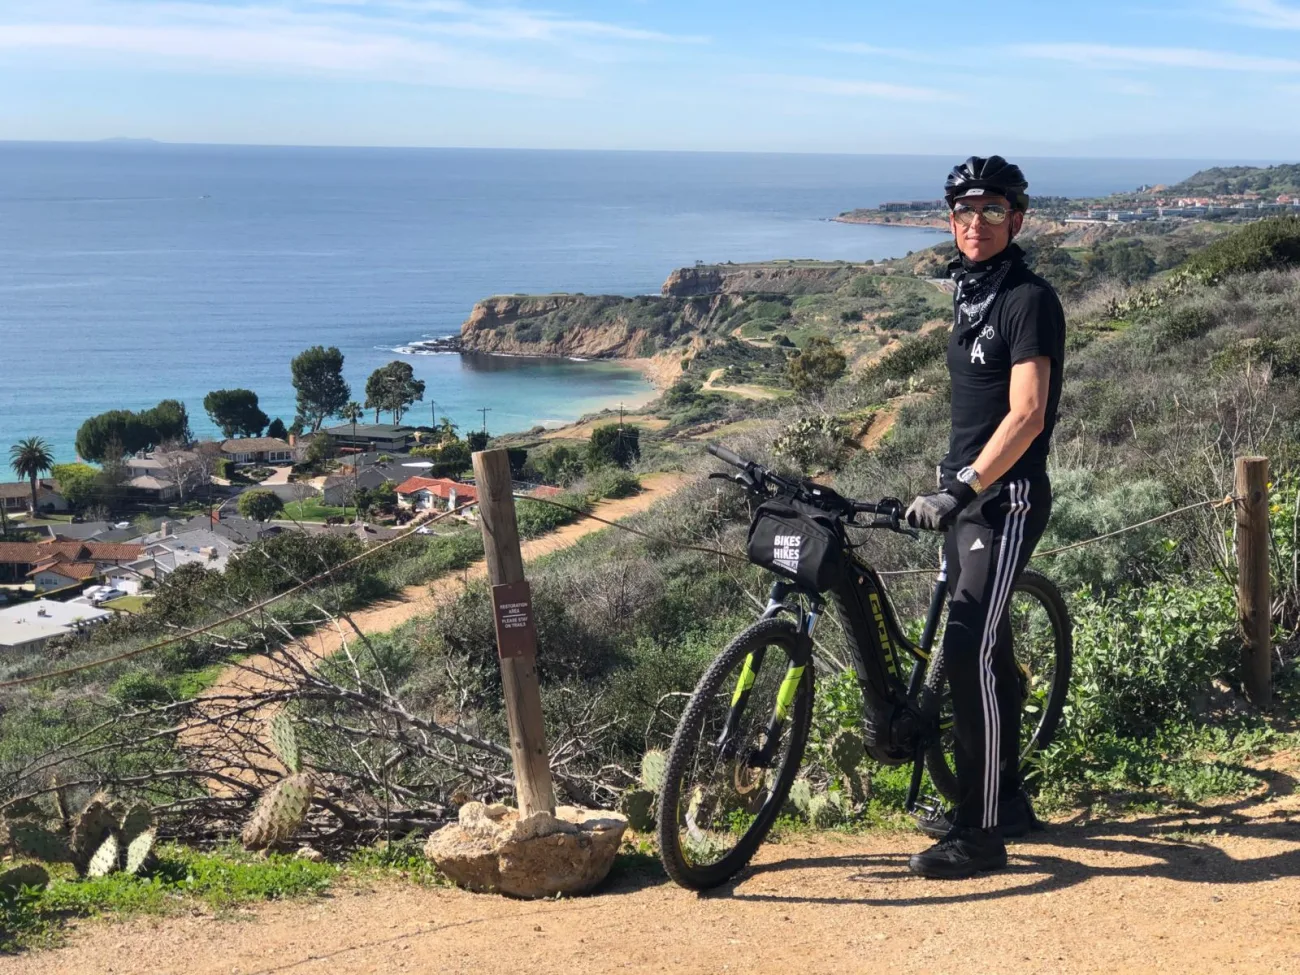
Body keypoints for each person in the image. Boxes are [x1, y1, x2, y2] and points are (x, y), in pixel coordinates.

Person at [903, 156, 1066, 879]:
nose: (976, 224)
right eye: (964, 212)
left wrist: (965, 485)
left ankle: (983, 831)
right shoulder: (971, 292)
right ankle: (1008, 797)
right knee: (987, 647)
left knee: (966, 649)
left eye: (992, 211)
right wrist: (948, 484)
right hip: (965, 496)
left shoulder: (1028, 299)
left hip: (1005, 499)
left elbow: (1027, 414)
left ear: (1018, 219)